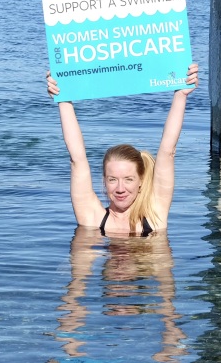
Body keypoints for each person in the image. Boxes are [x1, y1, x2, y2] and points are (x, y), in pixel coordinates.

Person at [47, 63, 198, 236]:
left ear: (140, 180)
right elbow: (77, 158)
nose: (120, 189)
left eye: (128, 179)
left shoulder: (154, 214)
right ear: (104, 181)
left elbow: (167, 151)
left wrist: (181, 95)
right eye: (112, 180)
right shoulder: (92, 218)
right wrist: (63, 97)